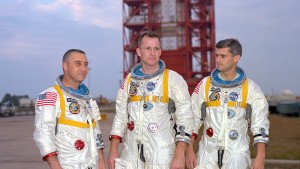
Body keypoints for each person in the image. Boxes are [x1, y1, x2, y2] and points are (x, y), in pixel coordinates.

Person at [107, 31, 194, 169]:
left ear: (160, 51)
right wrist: (113, 150)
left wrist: (179, 154)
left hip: (162, 153)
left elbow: (185, 118)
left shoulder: (173, 79)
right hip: (131, 153)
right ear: (139, 52)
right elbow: (121, 117)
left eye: (156, 49)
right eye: (148, 48)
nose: (152, 53)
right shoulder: (129, 81)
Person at [185, 38, 270, 169]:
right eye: (216, 55)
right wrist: (189, 150)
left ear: (236, 58)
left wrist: (260, 156)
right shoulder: (205, 84)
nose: (217, 60)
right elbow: (192, 118)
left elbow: (260, 124)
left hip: (237, 153)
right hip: (207, 153)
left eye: (223, 56)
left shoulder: (251, 88)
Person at [33, 49, 106, 169]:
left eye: (86, 64)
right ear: (65, 66)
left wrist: (101, 160)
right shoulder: (51, 95)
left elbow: (95, 131)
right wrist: (55, 165)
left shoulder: (87, 99)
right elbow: (43, 134)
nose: (83, 68)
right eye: (78, 64)